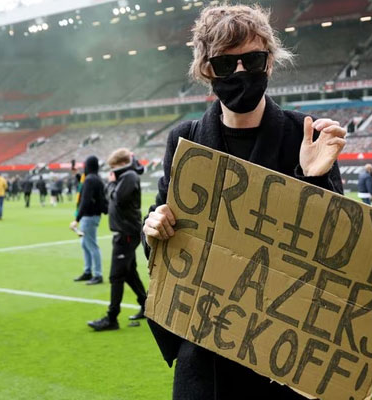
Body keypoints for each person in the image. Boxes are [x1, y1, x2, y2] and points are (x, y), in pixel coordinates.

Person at [141, 5, 345, 399]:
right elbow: (165, 225)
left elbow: (336, 251)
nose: (238, 73)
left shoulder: (304, 134)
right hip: (204, 358)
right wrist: (153, 225)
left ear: (269, 62)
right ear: (206, 71)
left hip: (284, 358)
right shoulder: (185, 139)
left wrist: (314, 178)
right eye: (223, 63)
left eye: (250, 59)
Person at [88, 148, 147, 331]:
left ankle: (112, 318)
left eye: (114, 166)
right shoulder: (125, 176)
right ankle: (147, 305)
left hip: (126, 232)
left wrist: (111, 185)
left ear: (122, 164)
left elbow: (119, 199)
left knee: (116, 276)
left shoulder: (129, 176)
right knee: (129, 272)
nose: (112, 170)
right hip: (125, 231)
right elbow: (111, 198)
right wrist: (112, 185)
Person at [71, 156, 106, 285]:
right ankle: (88, 271)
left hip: (89, 216)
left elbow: (85, 200)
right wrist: (76, 174)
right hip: (93, 215)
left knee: (91, 245)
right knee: (85, 244)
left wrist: (76, 219)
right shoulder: (95, 178)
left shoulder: (90, 180)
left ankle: (97, 274)